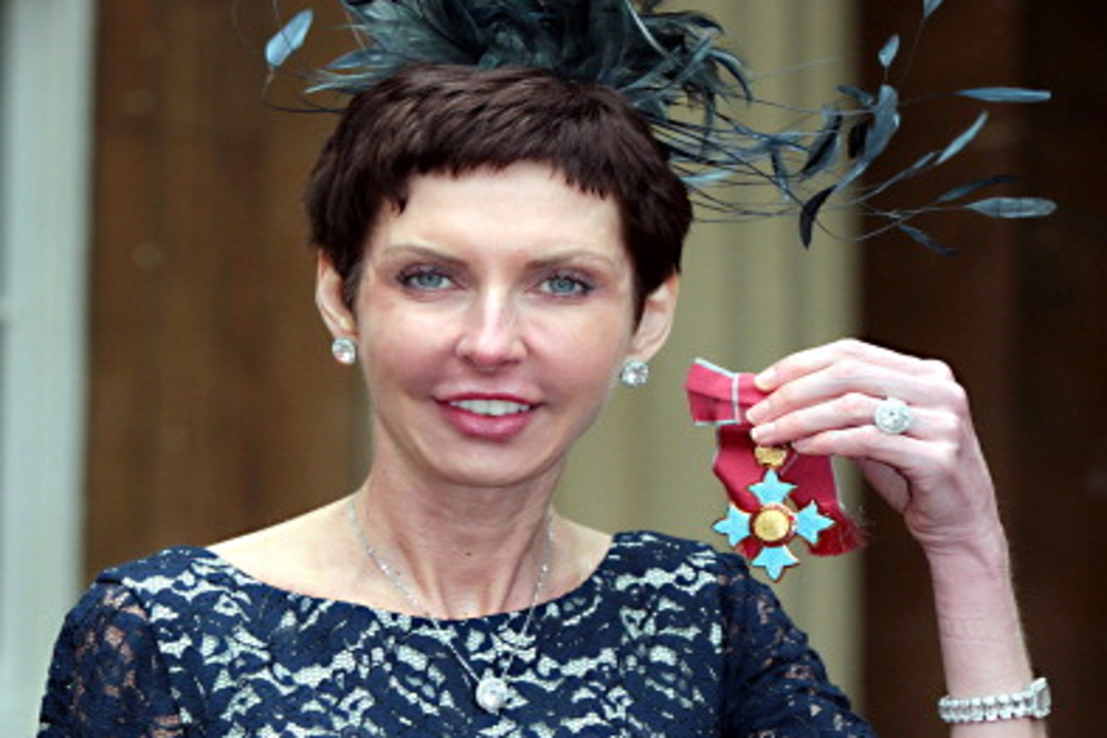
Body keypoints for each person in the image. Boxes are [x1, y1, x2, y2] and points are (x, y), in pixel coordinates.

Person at [37, 1, 1050, 735]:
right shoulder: (164, 634)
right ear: (340, 296)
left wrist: (967, 548)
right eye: (430, 278)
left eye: (561, 284)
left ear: (649, 318)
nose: (490, 340)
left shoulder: (702, 621)